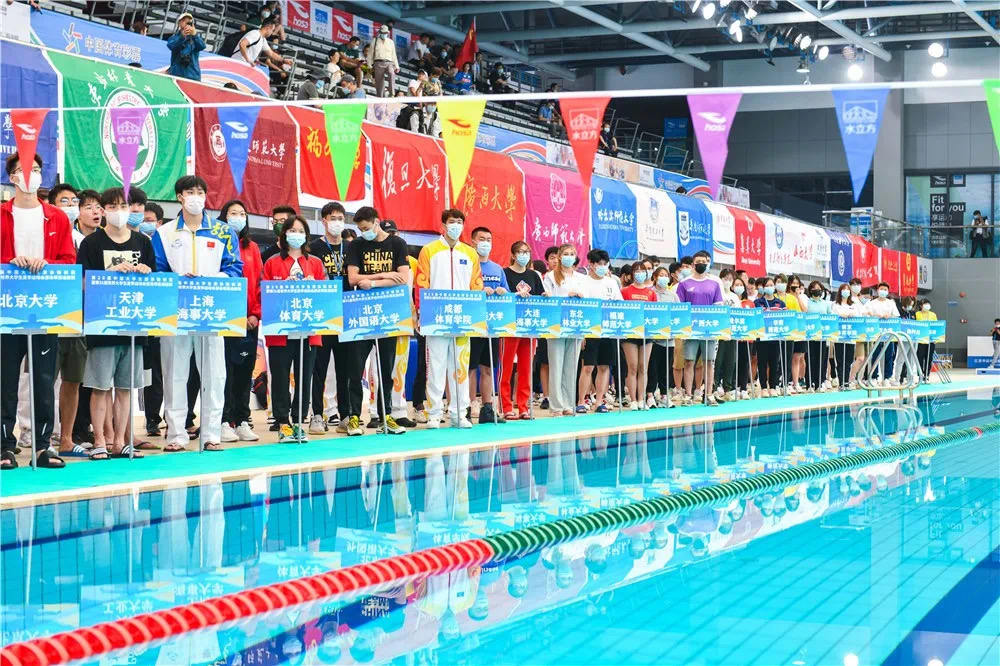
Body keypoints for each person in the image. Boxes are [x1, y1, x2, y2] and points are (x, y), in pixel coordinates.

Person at [152, 176, 242, 453]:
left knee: (215, 375)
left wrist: (209, 279)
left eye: (200, 192)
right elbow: (157, 270)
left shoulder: (223, 231)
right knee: (174, 374)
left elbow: (234, 269)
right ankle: (176, 434)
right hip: (176, 312)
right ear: (179, 197)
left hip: (212, 312)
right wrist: (178, 280)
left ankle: (211, 434)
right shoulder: (164, 233)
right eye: (190, 192)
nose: (195, 197)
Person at [0, 152, 75, 470]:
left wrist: (48, 264)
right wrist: (9, 262)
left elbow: (68, 260)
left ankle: (44, 445)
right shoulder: (2, 214)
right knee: (5, 379)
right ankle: (5, 446)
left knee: (44, 378)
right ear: (12, 177)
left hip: (45, 307)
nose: (30, 174)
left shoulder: (56, 217)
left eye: (35, 169)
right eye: (23, 169)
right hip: (8, 308)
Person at [78, 187, 156, 460]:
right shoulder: (91, 243)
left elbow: (155, 285)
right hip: (103, 325)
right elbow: (82, 283)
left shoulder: (143, 243)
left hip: (134, 326)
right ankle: (100, 440)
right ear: (103, 210)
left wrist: (146, 272)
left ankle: (121, 442)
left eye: (124, 206)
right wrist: (107, 274)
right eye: (112, 207)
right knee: (100, 387)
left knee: (126, 389)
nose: (119, 212)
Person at [414, 209, 482, 428]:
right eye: (452, 222)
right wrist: (421, 312)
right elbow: (421, 283)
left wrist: (474, 315)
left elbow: (476, 285)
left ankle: (459, 413)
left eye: (459, 222)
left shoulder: (470, 253)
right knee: (435, 366)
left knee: (460, 366)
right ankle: (434, 413)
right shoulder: (429, 250)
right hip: (436, 318)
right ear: (443, 225)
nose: (456, 226)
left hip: (462, 319)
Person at [346, 207, 410, 435]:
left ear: (377, 222)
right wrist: (384, 275)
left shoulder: (397, 244)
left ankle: (386, 415)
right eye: (360, 229)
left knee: (386, 367)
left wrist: (372, 283)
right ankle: (354, 417)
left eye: (366, 228)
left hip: (389, 312)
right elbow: (353, 278)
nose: (364, 232)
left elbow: (403, 278)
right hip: (361, 312)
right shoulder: (356, 245)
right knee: (356, 368)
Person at [262, 216, 325, 443]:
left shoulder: (315, 263)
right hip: (280, 331)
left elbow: (326, 297)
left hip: (308, 331)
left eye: (300, 231)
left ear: (306, 235)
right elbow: (263, 293)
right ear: (284, 234)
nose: (296, 235)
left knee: (304, 378)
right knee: (280, 378)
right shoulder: (272, 262)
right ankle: (283, 423)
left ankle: (299, 421)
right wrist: (281, 287)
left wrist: (314, 287)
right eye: (292, 230)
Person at [308, 202, 357, 435]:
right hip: (323, 315)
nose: (337, 222)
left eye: (340, 218)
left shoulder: (352, 247)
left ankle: (346, 415)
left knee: (345, 368)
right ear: (324, 221)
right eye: (332, 218)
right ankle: (317, 415)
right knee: (319, 368)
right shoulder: (313, 247)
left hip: (347, 314)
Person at [217, 200, 262, 443]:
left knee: (245, 372)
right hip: (225, 319)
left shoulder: (252, 247)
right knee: (225, 373)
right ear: (224, 217)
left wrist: (255, 313)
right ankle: (224, 421)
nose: (238, 217)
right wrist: (235, 315)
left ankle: (243, 420)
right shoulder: (216, 243)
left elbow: (258, 283)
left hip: (250, 321)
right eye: (233, 213)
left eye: (242, 213)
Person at [469, 227, 509, 424]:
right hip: (473, 323)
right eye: (482, 239)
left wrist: (502, 291)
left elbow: (508, 294)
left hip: (492, 325)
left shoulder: (497, 269)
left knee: (488, 367)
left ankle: (487, 408)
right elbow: (463, 292)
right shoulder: (468, 265)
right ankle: (469, 405)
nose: (485, 243)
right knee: (470, 368)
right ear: (473, 242)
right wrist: (479, 291)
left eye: (489, 239)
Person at [541, 244, 586, 416]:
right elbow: (548, 298)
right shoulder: (551, 276)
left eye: (572, 254)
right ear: (560, 256)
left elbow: (588, 300)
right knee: (556, 365)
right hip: (556, 325)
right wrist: (566, 296)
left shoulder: (581, 278)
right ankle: (556, 406)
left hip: (576, 325)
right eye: (566, 253)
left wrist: (581, 296)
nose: (569, 256)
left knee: (571, 366)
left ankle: (568, 404)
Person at [500, 242, 544, 420]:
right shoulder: (504, 273)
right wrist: (513, 296)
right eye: (520, 251)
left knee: (526, 368)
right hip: (510, 326)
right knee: (506, 368)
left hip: (529, 326)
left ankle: (523, 407)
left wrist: (545, 296)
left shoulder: (534, 275)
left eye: (526, 251)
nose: (524, 255)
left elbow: (540, 296)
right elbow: (501, 296)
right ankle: (506, 406)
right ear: (513, 255)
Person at [578, 249, 623, 414]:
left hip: (608, 330)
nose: (603, 267)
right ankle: (581, 401)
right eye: (599, 264)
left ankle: (599, 402)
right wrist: (582, 333)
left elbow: (619, 303)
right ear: (591, 264)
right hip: (590, 330)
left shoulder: (611, 283)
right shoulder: (583, 282)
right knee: (588, 367)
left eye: (605, 264)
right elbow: (581, 308)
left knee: (604, 367)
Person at [677, 251, 724, 406]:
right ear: (693, 264)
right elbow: (680, 307)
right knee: (689, 362)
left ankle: (708, 394)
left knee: (709, 362)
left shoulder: (714, 284)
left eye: (704, 262)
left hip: (709, 330)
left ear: (708, 263)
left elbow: (718, 308)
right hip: (690, 330)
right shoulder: (684, 284)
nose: (701, 264)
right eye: (698, 262)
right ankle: (688, 395)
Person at [620, 260, 657, 410]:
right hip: (630, 334)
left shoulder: (651, 293)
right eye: (637, 271)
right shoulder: (625, 291)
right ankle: (633, 399)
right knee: (633, 367)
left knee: (643, 367)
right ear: (632, 274)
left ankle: (642, 399)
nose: (640, 274)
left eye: (643, 271)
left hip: (646, 333)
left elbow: (655, 314)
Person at [754, 277, 786, 397]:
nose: (769, 287)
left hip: (775, 338)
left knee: (774, 363)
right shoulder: (758, 302)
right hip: (762, 338)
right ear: (763, 288)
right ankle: (763, 388)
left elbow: (785, 319)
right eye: (767, 285)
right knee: (762, 363)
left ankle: (773, 386)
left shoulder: (780, 303)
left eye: (771, 285)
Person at [713, 269, 741, 401]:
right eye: (725, 278)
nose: (728, 281)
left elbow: (739, 314)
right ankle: (714, 386)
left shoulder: (735, 297)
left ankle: (727, 388)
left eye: (730, 279)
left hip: (732, 332)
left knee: (730, 361)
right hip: (719, 333)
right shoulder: (717, 293)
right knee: (717, 361)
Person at [867, 281, 900, 386]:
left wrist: (890, 316)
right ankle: (874, 377)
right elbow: (868, 315)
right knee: (875, 355)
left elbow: (896, 316)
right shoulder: (872, 303)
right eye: (881, 289)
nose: (883, 291)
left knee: (889, 356)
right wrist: (875, 315)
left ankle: (886, 377)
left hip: (888, 333)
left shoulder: (891, 303)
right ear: (877, 290)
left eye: (885, 290)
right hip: (876, 334)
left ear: (888, 291)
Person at [804, 280, 832, 392]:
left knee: (822, 360)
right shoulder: (807, 302)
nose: (817, 290)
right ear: (810, 290)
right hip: (810, 336)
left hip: (822, 336)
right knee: (810, 359)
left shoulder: (826, 303)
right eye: (814, 288)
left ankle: (820, 383)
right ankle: (809, 383)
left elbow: (830, 317)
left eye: (819, 288)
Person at [831, 284, 858, 391]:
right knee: (840, 360)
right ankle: (841, 382)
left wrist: (849, 314)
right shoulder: (835, 304)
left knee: (849, 360)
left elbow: (857, 315)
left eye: (848, 290)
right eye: (844, 289)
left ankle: (846, 382)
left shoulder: (854, 305)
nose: (846, 291)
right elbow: (833, 315)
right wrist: (841, 315)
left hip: (850, 337)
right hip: (839, 336)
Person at [167, 13, 206, 81]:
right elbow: (172, 46)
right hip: (176, 74)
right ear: (179, 23)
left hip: (192, 76)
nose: (186, 23)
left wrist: (195, 35)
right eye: (184, 20)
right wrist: (182, 37)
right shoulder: (174, 37)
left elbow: (202, 46)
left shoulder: (196, 37)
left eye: (189, 21)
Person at [368, 25, 400, 98]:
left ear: (387, 33)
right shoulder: (375, 41)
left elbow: (394, 55)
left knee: (391, 73)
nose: (384, 34)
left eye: (385, 33)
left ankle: (392, 94)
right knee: (379, 82)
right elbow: (370, 54)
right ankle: (381, 97)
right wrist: (369, 66)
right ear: (380, 32)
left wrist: (397, 66)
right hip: (378, 62)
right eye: (382, 33)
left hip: (389, 62)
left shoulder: (391, 42)